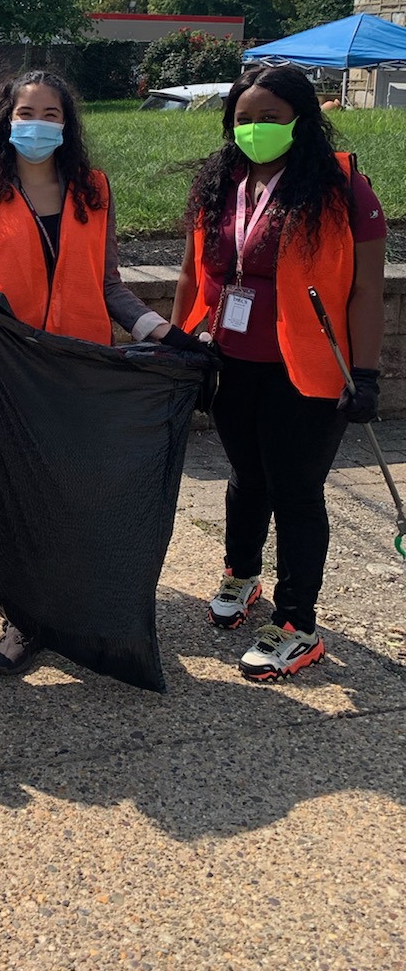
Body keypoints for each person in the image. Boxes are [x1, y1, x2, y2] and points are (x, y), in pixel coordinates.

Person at [0, 68, 196, 677]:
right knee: (20, 500)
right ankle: (25, 618)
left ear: (68, 123)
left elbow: (109, 286)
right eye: (25, 113)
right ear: (6, 120)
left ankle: (80, 607)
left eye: (50, 114)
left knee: (79, 493)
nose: (37, 125)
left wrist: (162, 332)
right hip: (10, 372)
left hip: (82, 369)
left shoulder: (94, 189)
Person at [172, 64, 386, 681]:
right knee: (244, 476)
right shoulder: (217, 184)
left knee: (294, 492)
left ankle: (297, 624)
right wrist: (186, 344)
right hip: (232, 361)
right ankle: (242, 576)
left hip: (310, 370)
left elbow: (368, 289)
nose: (256, 128)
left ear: (301, 119)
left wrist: (365, 374)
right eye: (244, 118)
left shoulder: (342, 186)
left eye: (271, 118)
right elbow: (194, 274)